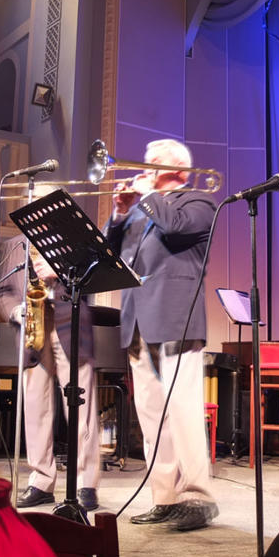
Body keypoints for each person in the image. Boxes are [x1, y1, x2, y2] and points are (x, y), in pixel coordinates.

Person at [104, 138, 218, 532]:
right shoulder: (139, 209)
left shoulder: (198, 201)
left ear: (180, 171)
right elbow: (108, 255)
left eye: (153, 163)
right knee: (151, 417)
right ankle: (165, 497)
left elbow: (177, 227)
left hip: (175, 318)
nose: (144, 169)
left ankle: (198, 497)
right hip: (137, 319)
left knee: (183, 412)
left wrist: (148, 195)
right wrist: (119, 215)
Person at [0, 234, 101, 511]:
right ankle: (41, 481)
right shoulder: (12, 245)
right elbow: (4, 290)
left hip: (70, 322)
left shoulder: (72, 236)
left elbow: (95, 275)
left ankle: (86, 483)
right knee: (35, 410)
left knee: (82, 409)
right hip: (32, 328)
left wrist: (59, 268)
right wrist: (15, 312)